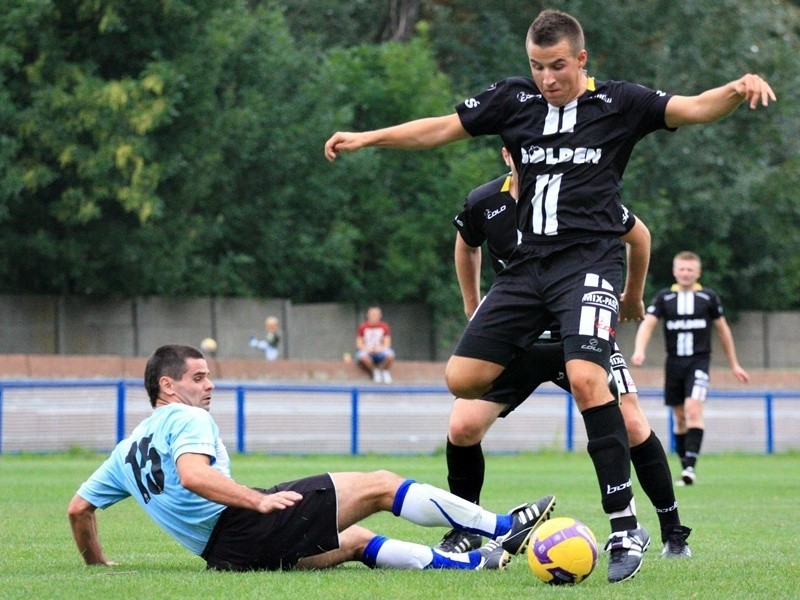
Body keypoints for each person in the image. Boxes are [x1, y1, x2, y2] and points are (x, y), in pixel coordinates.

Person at [324, 9, 773, 582]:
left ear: (581, 60)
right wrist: (371, 137)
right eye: (537, 67)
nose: (547, 78)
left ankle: (625, 525)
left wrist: (737, 89)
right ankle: (490, 499)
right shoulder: (514, 103)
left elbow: (692, 107)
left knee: (591, 382)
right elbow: (439, 128)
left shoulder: (620, 103)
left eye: (557, 66)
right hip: (527, 272)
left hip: (587, 265)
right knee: (461, 382)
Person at [67, 344, 556, 572]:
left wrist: (97, 565)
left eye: (209, 375)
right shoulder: (187, 418)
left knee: (355, 539)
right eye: (198, 378)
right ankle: (501, 526)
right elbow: (192, 475)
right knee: (381, 484)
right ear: (167, 386)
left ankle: (473, 567)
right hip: (244, 524)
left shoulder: (125, 450)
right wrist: (255, 503)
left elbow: (78, 509)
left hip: (225, 557)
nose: (209, 385)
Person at [439, 148, 691, 559]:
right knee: (463, 425)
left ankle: (671, 530)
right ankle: (466, 528)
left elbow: (638, 235)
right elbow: (466, 245)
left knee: (631, 423)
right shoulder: (486, 202)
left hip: (578, 332)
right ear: (508, 155)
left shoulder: (578, 194)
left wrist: (631, 296)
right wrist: (473, 304)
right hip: (521, 340)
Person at [631, 251, 750, 486]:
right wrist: (639, 350)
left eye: (690, 270)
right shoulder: (665, 298)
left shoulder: (708, 298)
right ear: (675, 271)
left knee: (693, 409)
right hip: (674, 363)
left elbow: (723, 330)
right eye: (682, 269)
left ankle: (691, 469)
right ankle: (686, 468)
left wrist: (734, 364)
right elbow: (648, 324)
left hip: (699, 362)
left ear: (698, 273)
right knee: (679, 417)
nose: (686, 273)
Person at [355, 306, 396, 383]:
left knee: (390, 355)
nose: (374, 317)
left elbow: (387, 343)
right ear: (368, 315)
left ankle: (384, 371)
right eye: (372, 314)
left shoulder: (384, 326)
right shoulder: (363, 327)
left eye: (376, 315)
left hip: (380, 349)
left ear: (380, 316)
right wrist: (367, 348)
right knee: (361, 356)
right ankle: (375, 371)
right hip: (367, 350)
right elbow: (359, 343)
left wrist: (380, 348)